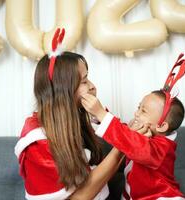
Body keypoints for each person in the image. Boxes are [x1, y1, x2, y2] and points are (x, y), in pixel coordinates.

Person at [14, 28, 128, 200]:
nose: (92, 86)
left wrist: (109, 122)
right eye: (84, 81)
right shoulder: (37, 143)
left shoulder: (75, 120)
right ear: (63, 91)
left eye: (88, 78)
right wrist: (122, 147)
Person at [81, 48, 185, 200]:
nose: (136, 113)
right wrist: (98, 115)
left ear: (161, 126)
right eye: (139, 107)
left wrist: (101, 115)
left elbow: (132, 143)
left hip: (163, 197)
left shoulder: (162, 148)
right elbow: (123, 132)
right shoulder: (138, 134)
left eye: (143, 111)